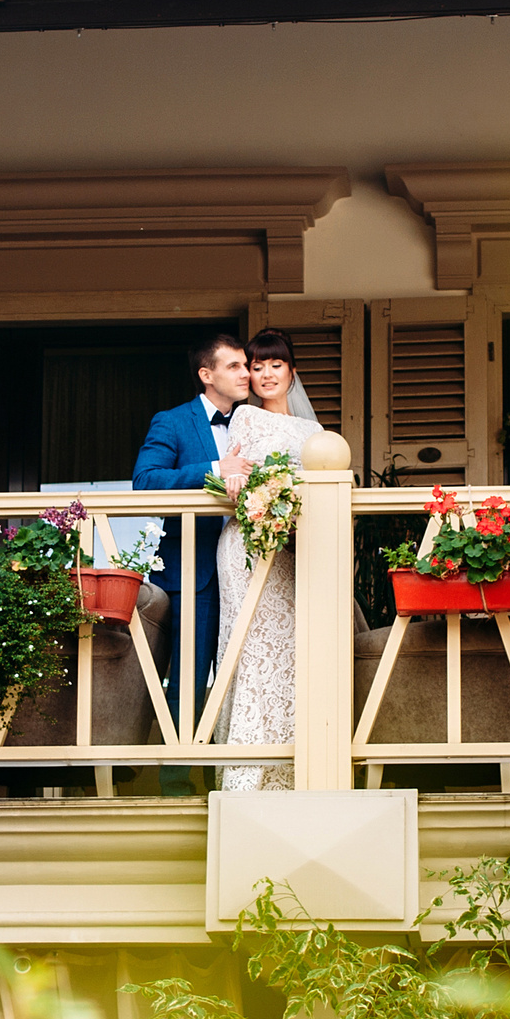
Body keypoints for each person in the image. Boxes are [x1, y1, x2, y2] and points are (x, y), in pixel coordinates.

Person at [210, 329, 320, 791]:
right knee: (251, 646)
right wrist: (237, 485)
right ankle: (245, 773)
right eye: (256, 367)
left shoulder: (314, 433)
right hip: (248, 547)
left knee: (292, 651)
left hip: (293, 551)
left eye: (275, 364)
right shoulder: (245, 418)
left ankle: (292, 769)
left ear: (291, 371)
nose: (266, 374)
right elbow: (239, 476)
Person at [132, 332, 253, 728]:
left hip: (249, 571)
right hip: (194, 572)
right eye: (234, 366)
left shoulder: (255, 424)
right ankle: (178, 781)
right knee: (189, 677)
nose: (246, 373)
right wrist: (216, 471)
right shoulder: (173, 421)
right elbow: (146, 480)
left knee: (244, 679)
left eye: (245, 365)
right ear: (206, 374)